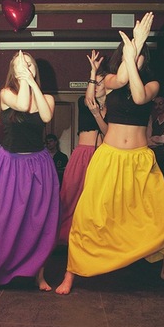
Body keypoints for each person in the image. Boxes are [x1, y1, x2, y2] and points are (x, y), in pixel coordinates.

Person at [56, 13, 164, 296]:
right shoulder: (111, 79)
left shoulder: (153, 84)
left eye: (140, 54)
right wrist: (133, 47)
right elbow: (123, 80)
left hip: (140, 160)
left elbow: (139, 96)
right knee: (88, 217)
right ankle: (71, 272)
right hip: (109, 158)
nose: (135, 57)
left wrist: (135, 49)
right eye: (130, 53)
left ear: (144, 60)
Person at [0, 50, 60, 291]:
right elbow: (22, 104)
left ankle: (39, 275)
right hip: (10, 164)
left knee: (39, 222)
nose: (25, 68)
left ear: (35, 70)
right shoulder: (6, 94)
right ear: (12, 72)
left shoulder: (47, 98)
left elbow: (46, 115)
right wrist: (25, 80)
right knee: (2, 221)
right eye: (19, 65)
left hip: (38, 165)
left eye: (29, 65)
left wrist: (31, 83)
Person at [58, 49, 107, 245]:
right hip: (82, 153)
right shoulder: (83, 101)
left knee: (96, 197)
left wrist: (99, 114)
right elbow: (88, 100)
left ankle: (92, 235)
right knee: (71, 194)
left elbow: (108, 131)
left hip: (101, 155)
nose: (96, 86)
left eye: (100, 83)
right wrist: (93, 72)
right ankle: (65, 233)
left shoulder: (111, 107)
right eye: (94, 83)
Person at [147, 93, 164, 177]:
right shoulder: (154, 121)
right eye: (155, 104)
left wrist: (153, 140)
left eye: (161, 104)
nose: (157, 107)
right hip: (154, 157)